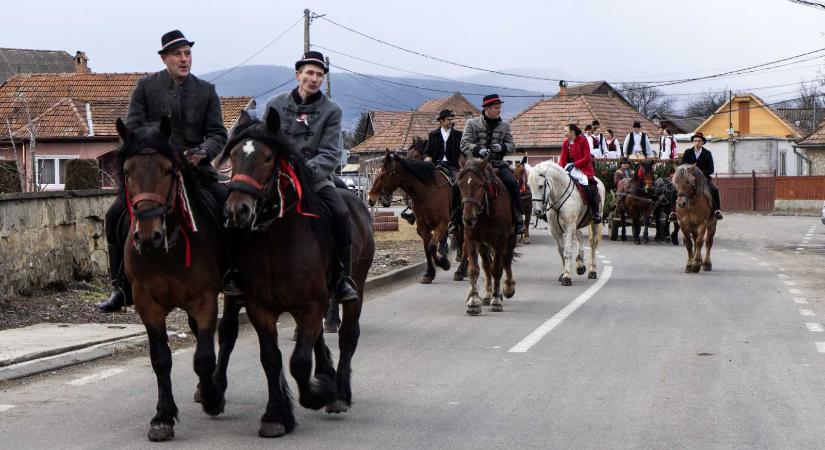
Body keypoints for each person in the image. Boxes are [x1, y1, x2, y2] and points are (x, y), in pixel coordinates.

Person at [99, 30, 231, 312]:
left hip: (196, 171)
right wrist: (157, 147)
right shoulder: (146, 87)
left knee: (226, 205)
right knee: (114, 215)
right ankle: (120, 286)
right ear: (164, 58)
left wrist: (204, 152)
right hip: (154, 170)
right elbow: (132, 129)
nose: (184, 60)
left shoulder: (206, 91)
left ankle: (232, 274)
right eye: (178, 55)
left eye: (188, 54)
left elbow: (218, 133)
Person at [261, 50, 358, 303]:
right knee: (241, 208)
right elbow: (264, 143)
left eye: (319, 74)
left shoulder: (331, 110)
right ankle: (238, 274)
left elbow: (330, 153)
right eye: (309, 73)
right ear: (298, 75)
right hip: (273, 178)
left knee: (341, 213)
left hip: (314, 180)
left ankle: (342, 278)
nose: (314, 78)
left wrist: (300, 174)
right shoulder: (275, 104)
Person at [460, 94, 525, 234]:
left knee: (512, 182)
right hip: (476, 166)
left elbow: (512, 145)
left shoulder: (505, 125)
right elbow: (464, 144)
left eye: (500, 107)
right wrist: (478, 149)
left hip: (497, 163)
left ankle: (518, 217)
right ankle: (454, 220)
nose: (499, 110)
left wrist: (503, 148)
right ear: (487, 108)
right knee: (457, 186)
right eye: (497, 108)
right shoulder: (471, 123)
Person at [424, 109, 463, 234]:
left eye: (452, 119)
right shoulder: (433, 135)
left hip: (452, 166)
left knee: (458, 184)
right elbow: (427, 151)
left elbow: (462, 152)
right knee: (422, 184)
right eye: (448, 120)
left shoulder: (458, 135)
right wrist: (427, 158)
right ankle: (415, 212)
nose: (451, 122)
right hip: (436, 165)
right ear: (441, 121)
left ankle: (455, 219)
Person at [559, 123, 601, 223]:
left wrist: (575, 164)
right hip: (568, 167)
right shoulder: (565, 142)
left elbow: (587, 158)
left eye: (566, 131)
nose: (564, 133)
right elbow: (563, 159)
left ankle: (595, 213)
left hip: (583, 168)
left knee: (591, 186)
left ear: (572, 132)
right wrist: (559, 169)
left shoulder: (583, 140)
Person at [679, 132, 723, 220]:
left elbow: (711, 169)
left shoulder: (707, 153)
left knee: (715, 189)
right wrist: (689, 175)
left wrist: (699, 174)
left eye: (699, 141)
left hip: (703, 179)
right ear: (693, 142)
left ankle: (717, 211)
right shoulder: (688, 152)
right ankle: (673, 212)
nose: (697, 143)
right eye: (695, 141)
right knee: (675, 189)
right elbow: (683, 166)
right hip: (688, 178)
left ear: (702, 142)